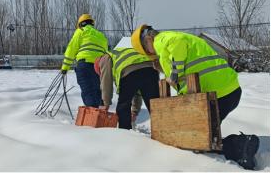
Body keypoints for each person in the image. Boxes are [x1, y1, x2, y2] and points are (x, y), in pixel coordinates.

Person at [131, 24, 260, 170]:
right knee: (204, 137)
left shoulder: (161, 39)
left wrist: (174, 71)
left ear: (147, 40)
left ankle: (243, 145)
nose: (150, 53)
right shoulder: (169, 45)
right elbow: (186, 70)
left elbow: (177, 43)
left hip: (218, 92)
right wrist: (167, 70)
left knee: (201, 138)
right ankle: (240, 150)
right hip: (225, 90)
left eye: (147, 51)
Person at [94, 47, 160, 130]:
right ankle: (165, 133)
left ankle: (125, 135)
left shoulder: (105, 58)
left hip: (129, 71)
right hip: (151, 69)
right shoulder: (123, 52)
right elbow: (137, 91)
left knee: (123, 107)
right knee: (155, 105)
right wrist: (134, 112)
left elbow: (106, 81)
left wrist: (105, 103)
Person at [61, 13, 108, 108]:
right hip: (98, 67)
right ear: (92, 23)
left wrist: (65, 67)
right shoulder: (101, 35)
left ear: (80, 24)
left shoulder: (80, 31)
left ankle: (92, 115)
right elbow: (106, 53)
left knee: (87, 89)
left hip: (84, 65)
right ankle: (100, 113)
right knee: (97, 89)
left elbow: (71, 49)